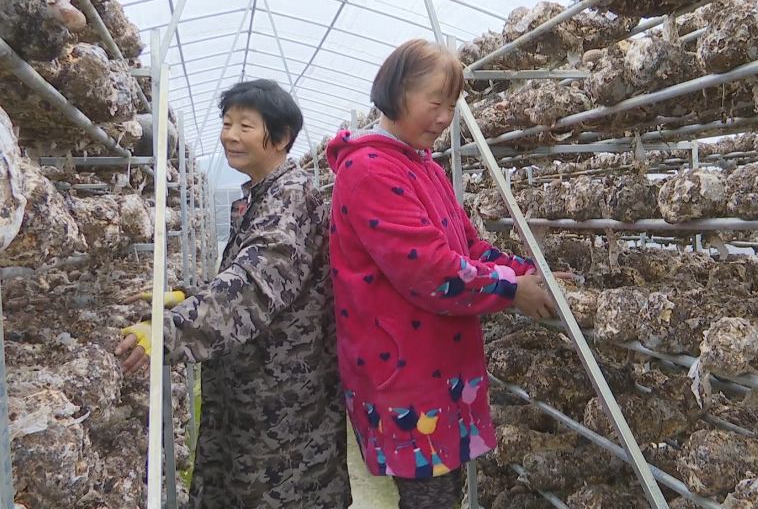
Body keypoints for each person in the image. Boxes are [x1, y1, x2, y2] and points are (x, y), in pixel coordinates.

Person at [326, 39, 559, 508]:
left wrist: (529, 272)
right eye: (434, 103)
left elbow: (466, 244)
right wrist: (513, 290)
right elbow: (428, 268)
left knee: (440, 493)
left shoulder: (420, 165)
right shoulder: (370, 170)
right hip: (404, 372)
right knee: (429, 498)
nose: (444, 119)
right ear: (395, 94)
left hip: (434, 365)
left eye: (451, 106)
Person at [115, 79, 351, 508]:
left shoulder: (290, 198)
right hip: (258, 394)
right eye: (226, 123)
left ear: (280, 138)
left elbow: (255, 287)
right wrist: (189, 293)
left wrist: (169, 332)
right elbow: (274, 280)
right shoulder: (264, 195)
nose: (229, 134)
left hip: (284, 408)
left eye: (245, 125)